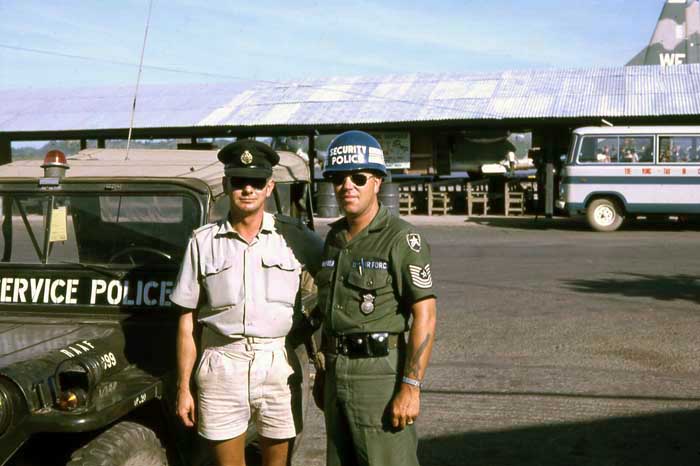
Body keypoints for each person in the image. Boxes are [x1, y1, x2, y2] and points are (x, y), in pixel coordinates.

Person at [172, 139, 322, 466]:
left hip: (277, 362)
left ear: (270, 187)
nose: (248, 190)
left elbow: (335, 281)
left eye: (256, 182)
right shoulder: (203, 242)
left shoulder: (295, 236)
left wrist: (314, 328)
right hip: (222, 362)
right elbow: (187, 320)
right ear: (226, 185)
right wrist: (184, 387)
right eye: (239, 182)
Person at [313, 130, 437, 466]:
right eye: (338, 179)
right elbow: (330, 309)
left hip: (378, 374)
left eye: (358, 177)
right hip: (337, 371)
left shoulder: (401, 239)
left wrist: (411, 386)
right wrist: (324, 370)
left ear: (378, 182)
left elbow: (425, 313)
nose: (347, 186)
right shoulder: (334, 239)